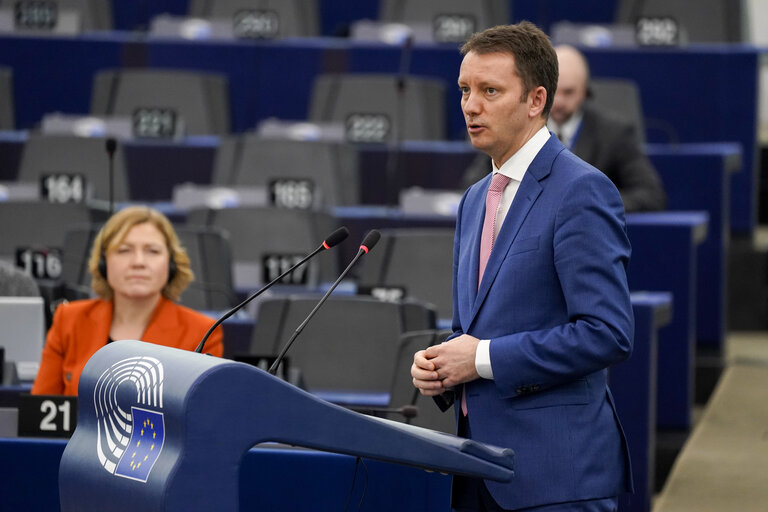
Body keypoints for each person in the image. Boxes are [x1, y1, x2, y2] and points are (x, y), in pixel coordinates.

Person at [411, 22, 634, 511]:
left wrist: (481, 358)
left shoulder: (581, 190)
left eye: (490, 91)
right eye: (465, 90)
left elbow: (606, 332)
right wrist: (443, 366)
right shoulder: (475, 199)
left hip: (555, 478)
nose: (471, 105)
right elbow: (472, 328)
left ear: (536, 101)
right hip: (477, 472)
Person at [32, 206, 223, 396]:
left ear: (171, 265)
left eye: (152, 251)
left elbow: (204, 417)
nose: (138, 262)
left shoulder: (203, 332)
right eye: (124, 250)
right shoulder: (69, 319)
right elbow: (39, 412)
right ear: (103, 262)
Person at [463, 44, 666, 213]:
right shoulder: (514, 126)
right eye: (555, 91)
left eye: (568, 92)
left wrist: (587, 202)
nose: (558, 102)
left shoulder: (615, 134)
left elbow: (651, 196)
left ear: (585, 92)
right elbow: (472, 186)